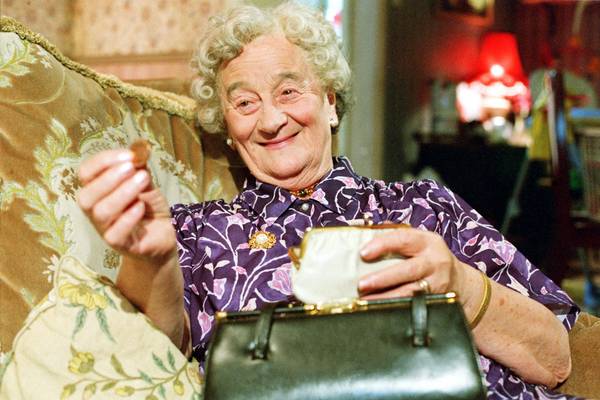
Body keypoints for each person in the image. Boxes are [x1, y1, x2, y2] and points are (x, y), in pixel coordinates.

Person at [76, 2, 579, 398]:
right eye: (245, 102)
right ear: (228, 128)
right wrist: (152, 258)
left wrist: (459, 286)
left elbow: (559, 358)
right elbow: (162, 348)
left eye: (289, 92)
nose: (270, 120)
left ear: (330, 102)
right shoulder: (200, 230)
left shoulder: (424, 206)